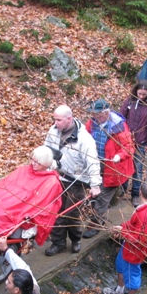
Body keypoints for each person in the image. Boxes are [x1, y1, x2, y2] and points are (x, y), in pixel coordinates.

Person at [0, 146, 62, 268]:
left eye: (37, 162)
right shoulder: (26, 169)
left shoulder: (52, 182)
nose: (33, 164)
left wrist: (26, 212)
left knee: (1, 215)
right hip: (12, 199)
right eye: (32, 160)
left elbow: (42, 204)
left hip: (25, 208)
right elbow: (9, 183)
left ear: (46, 163)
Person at [43, 105, 102, 256]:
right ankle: (59, 243)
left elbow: (92, 161)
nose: (56, 123)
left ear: (69, 119)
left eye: (59, 120)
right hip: (57, 177)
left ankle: (75, 240)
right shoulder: (53, 131)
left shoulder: (84, 139)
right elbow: (47, 150)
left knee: (71, 214)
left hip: (76, 181)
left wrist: (95, 184)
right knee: (56, 212)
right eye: (54, 119)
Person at [82, 99, 134, 239]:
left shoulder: (118, 127)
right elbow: (83, 137)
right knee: (95, 192)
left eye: (97, 114)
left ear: (106, 113)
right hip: (96, 163)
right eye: (93, 114)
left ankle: (96, 225)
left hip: (113, 168)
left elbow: (128, 147)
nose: (94, 117)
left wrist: (119, 155)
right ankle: (98, 213)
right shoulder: (92, 123)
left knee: (103, 198)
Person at [103, 183, 147, 294]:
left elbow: (138, 239)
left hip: (134, 251)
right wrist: (122, 227)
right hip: (129, 245)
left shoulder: (145, 215)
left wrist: (123, 232)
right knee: (120, 264)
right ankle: (119, 291)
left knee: (132, 278)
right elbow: (135, 226)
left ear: (140, 191)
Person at [120, 80, 147, 207]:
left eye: (144, 94)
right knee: (125, 165)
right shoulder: (129, 102)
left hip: (141, 142)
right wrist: (122, 135)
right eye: (139, 94)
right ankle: (123, 188)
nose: (141, 97)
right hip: (127, 140)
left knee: (138, 169)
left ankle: (135, 194)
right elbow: (121, 118)